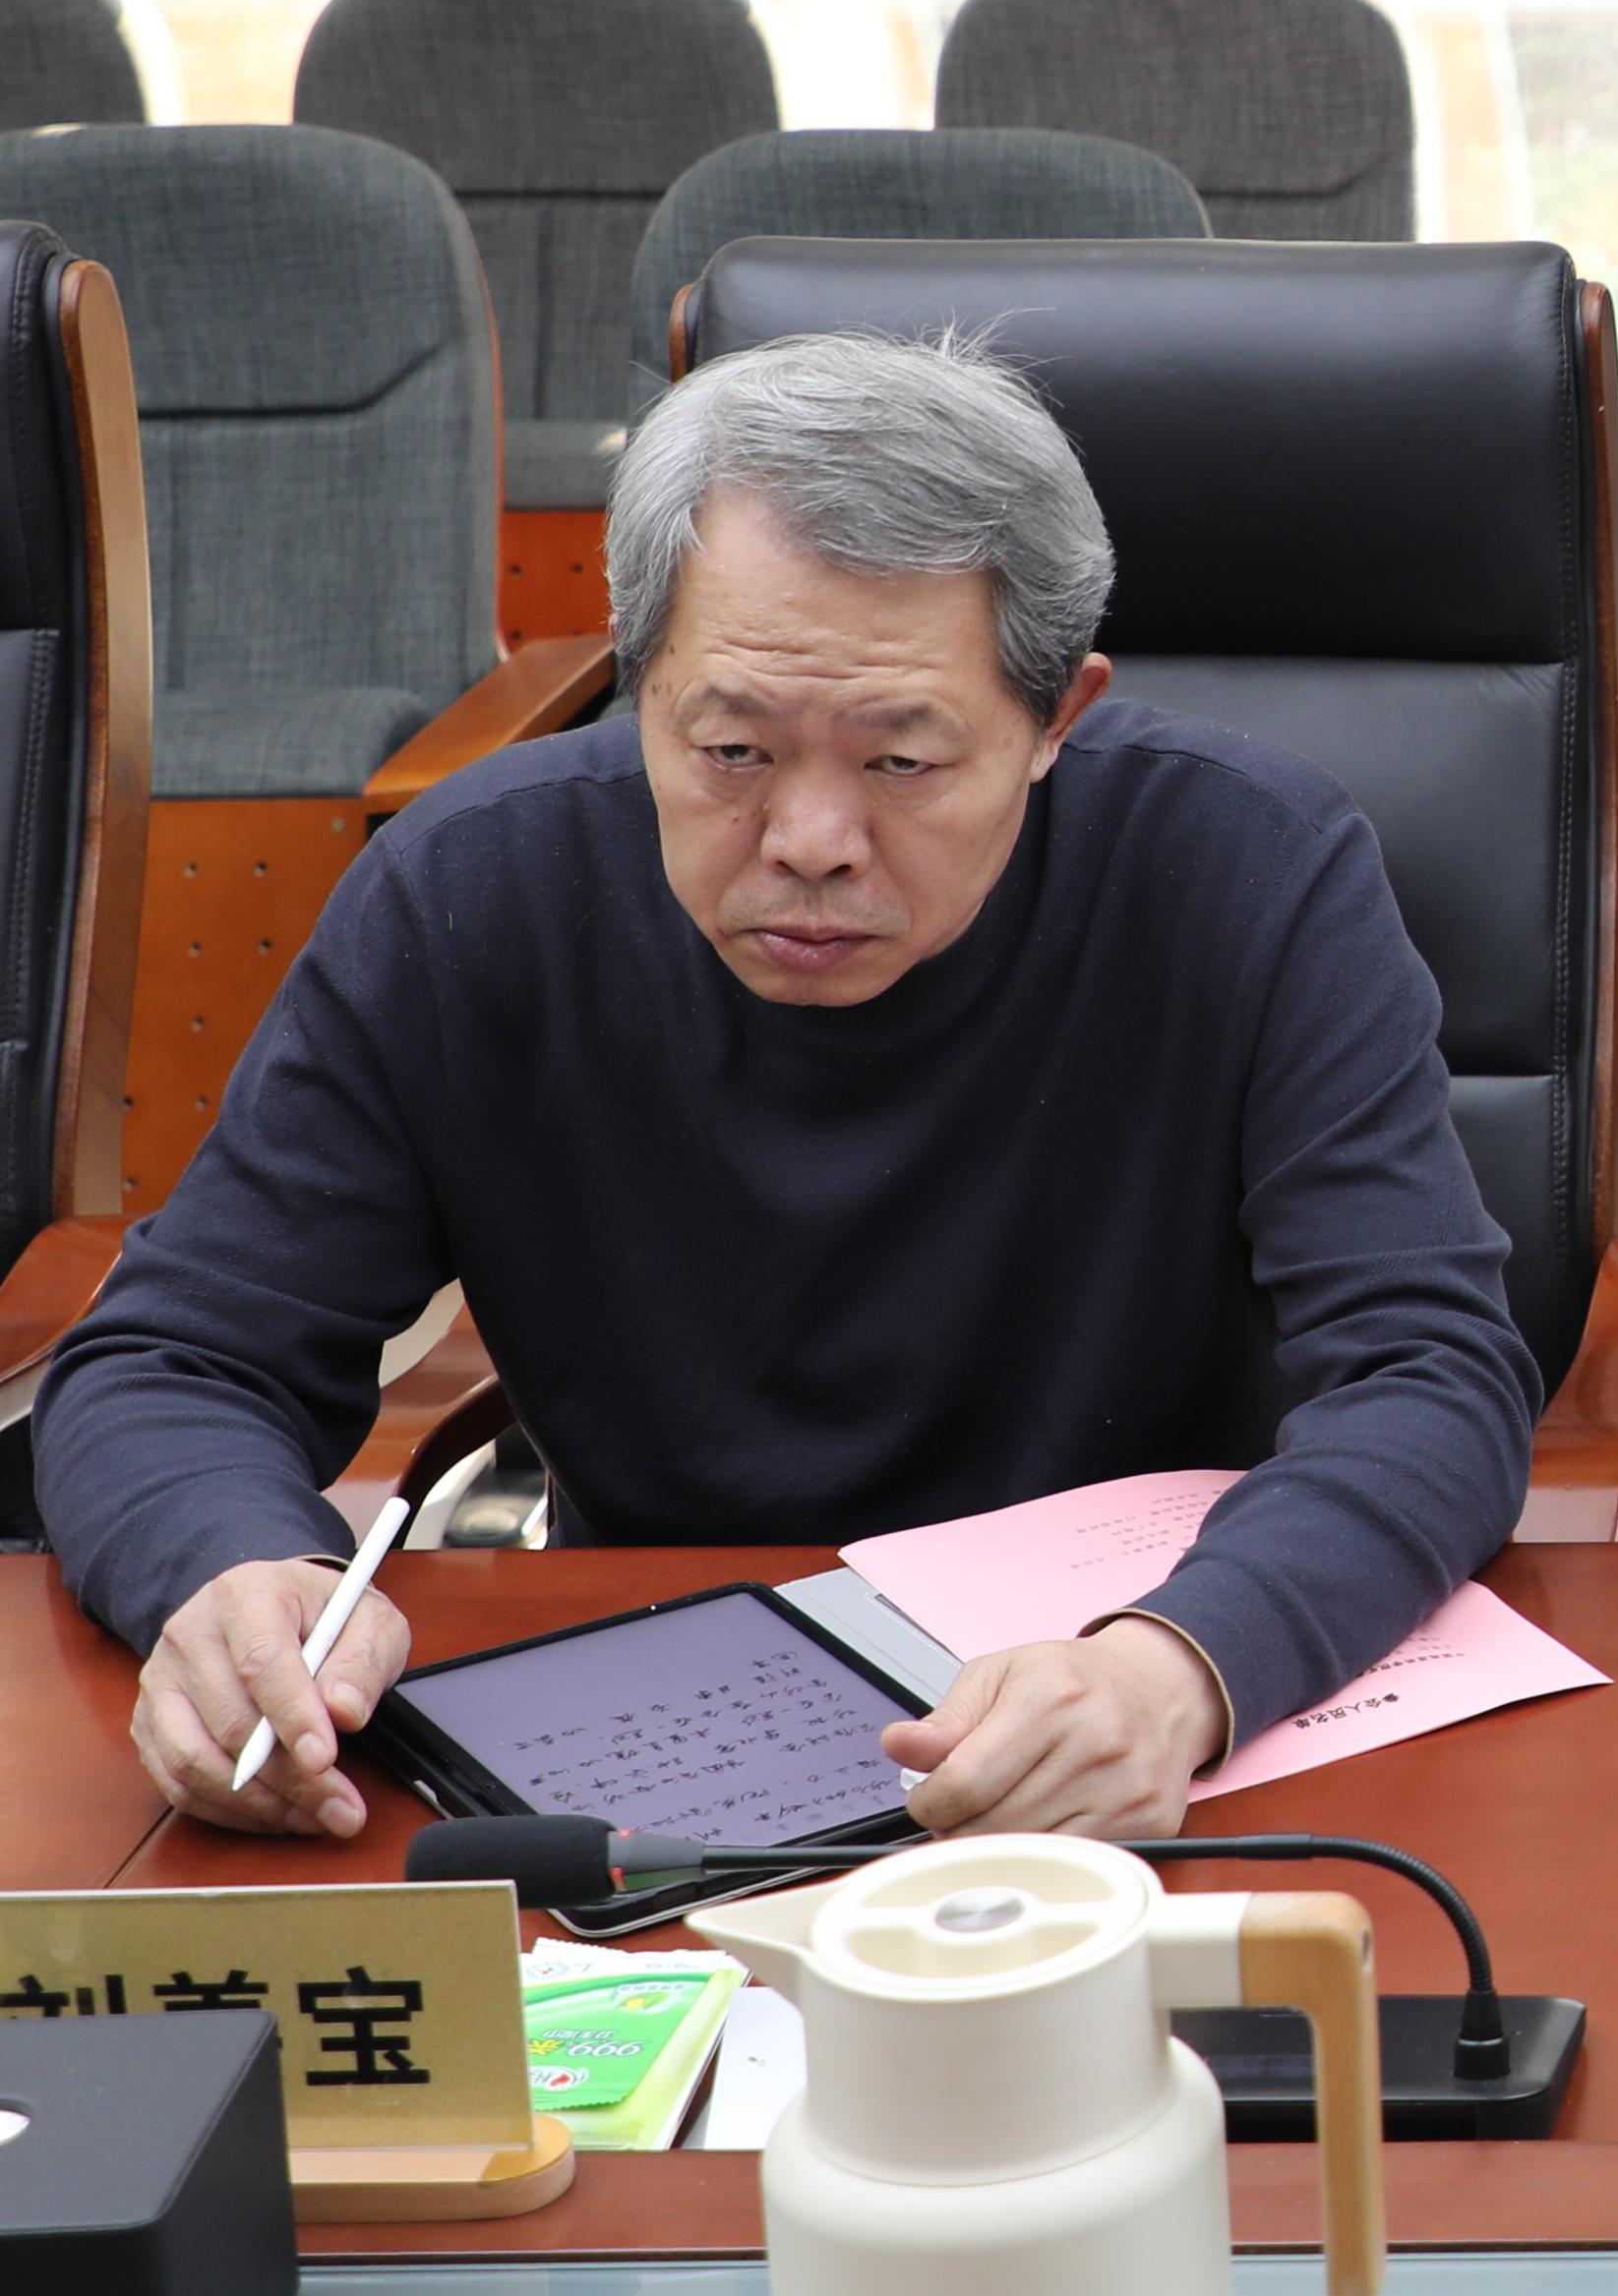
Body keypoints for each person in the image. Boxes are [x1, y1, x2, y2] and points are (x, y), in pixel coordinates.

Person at [44, 331, 1540, 1839]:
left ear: (1055, 720)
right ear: (639, 686)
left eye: (902, 762)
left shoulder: (1248, 871)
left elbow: (1431, 1372)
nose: (809, 839)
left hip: (1113, 1732)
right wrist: (237, 1577)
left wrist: (1185, 1666)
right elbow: (177, 1362)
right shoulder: (474, 893)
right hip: (652, 1738)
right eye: (733, 747)